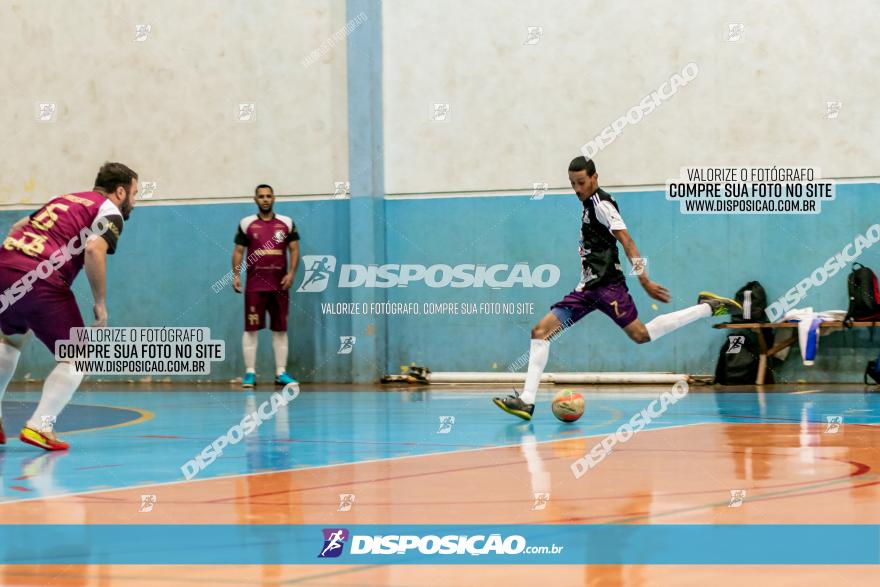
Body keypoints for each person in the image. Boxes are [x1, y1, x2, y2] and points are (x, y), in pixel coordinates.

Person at [493, 156, 741, 420]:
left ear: (594, 178)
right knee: (540, 331)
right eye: (572, 184)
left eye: (581, 182)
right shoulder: (587, 206)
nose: (577, 189)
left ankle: (706, 308)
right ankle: (527, 401)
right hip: (586, 290)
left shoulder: (602, 204)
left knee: (641, 335)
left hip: (609, 287)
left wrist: (644, 280)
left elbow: (627, 241)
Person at [0, 162, 137, 449]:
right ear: (121, 191)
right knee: (78, 355)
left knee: (10, 339)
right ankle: (40, 426)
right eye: (134, 194)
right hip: (41, 277)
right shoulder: (109, 211)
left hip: (6, 264)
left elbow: (17, 227)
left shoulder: (63, 199)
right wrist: (100, 302)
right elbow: (93, 249)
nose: (134, 202)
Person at [232, 184, 300, 388]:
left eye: (268, 196)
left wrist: (291, 273)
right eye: (261, 196)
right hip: (254, 287)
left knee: (280, 330)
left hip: (280, 286)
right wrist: (235, 275)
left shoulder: (287, 223)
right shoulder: (246, 224)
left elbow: (294, 250)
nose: (265, 199)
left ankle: (281, 373)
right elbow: (238, 251)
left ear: (274, 198)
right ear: (255, 199)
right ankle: (250, 373)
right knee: (250, 330)